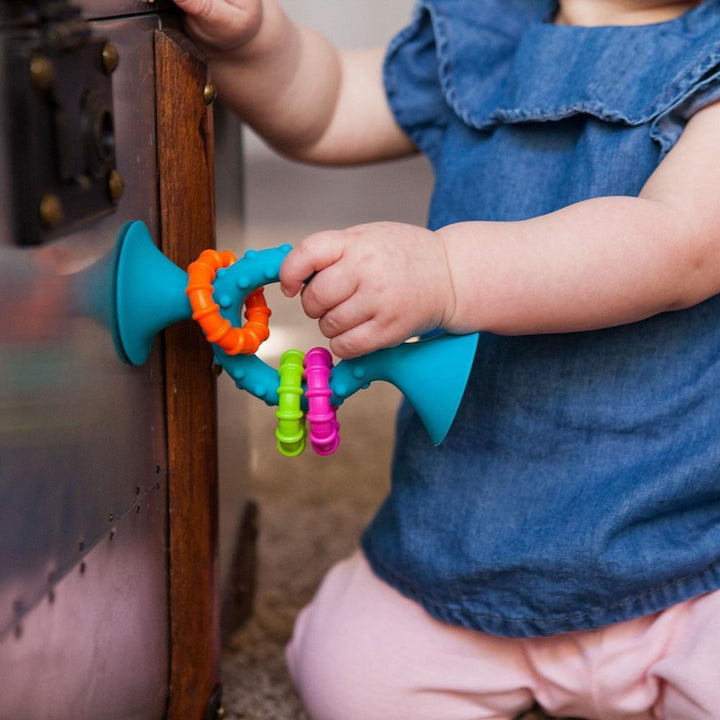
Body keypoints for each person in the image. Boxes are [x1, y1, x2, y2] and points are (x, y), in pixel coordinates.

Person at [175, 0, 720, 717]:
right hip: (468, 548)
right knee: (347, 673)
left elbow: (678, 245)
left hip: (683, 561)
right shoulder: (483, 38)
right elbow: (329, 103)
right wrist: (253, 40)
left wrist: (447, 274)